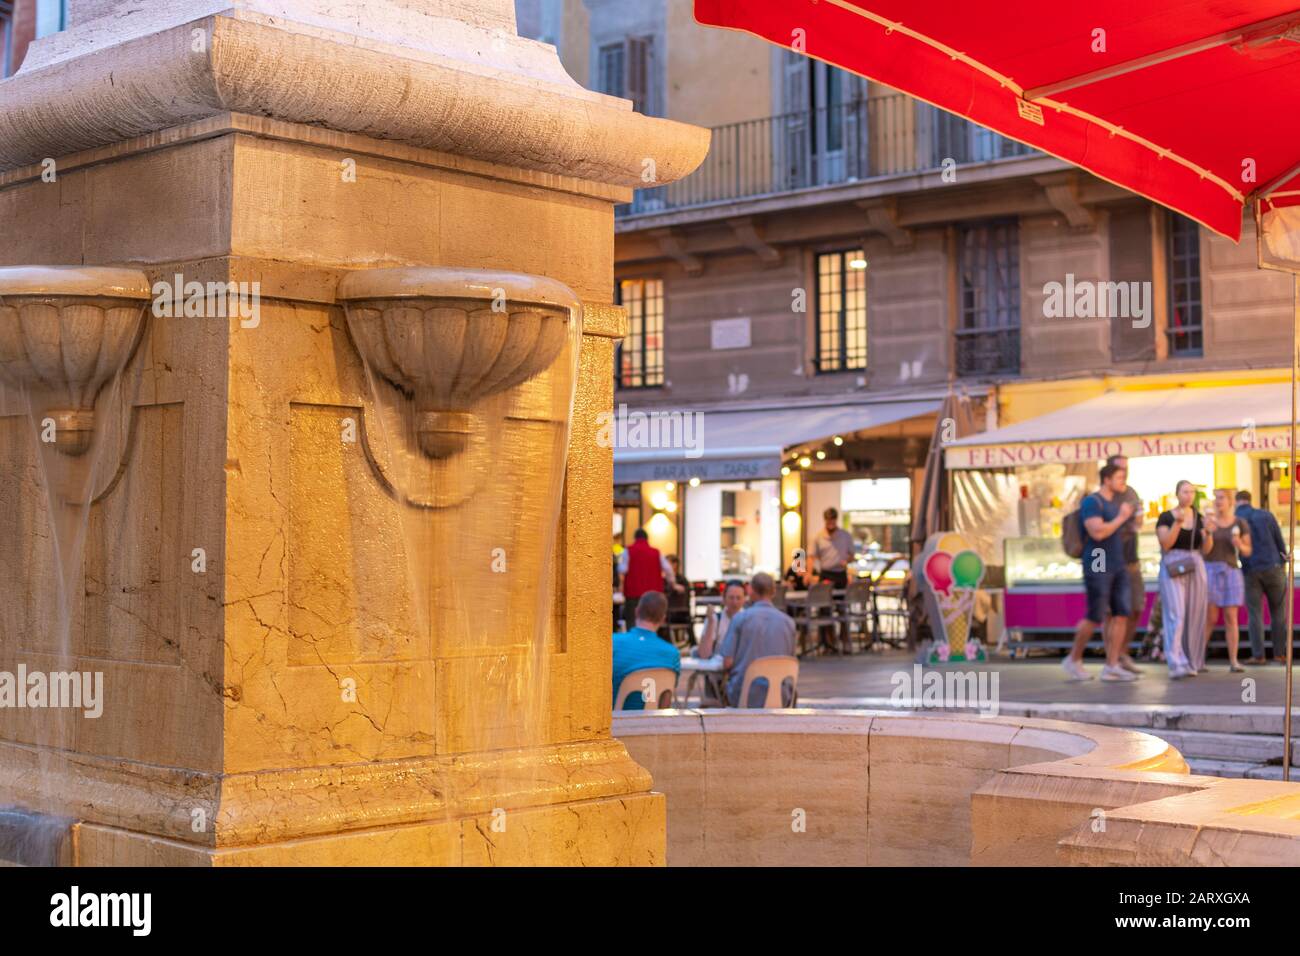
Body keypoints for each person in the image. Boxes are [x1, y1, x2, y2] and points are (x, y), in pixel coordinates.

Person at [1061, 462, 1136, 682]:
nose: (1124, 481)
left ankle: (1111, 665)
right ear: (1107, 479)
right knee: (1096, 613)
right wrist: (1121, 518)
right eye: (1120, 478)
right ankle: (1073, 659)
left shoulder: (1117, 503)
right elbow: (1097, 533)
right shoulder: (1092, 502)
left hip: (1117, 560)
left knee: (1122, 613)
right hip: (1098, 559)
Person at [1155, 479, 1209, 680]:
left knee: (1193, 615)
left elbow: (1206, 549)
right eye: (1185, 491)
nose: (1189, 496)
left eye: (1192, 492)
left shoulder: (1199, 517)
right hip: (1174, 567)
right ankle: (1174, 660)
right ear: (1177, 494)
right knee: (1175, 614)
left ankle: (1189, 659)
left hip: (1195, 566)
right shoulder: (1166, 517)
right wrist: (1177, 523)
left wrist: (1209, 533)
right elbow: (1166, 544)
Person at [720, 572, 797, 707]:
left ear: (751, 591)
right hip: (781, 696)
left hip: (745, 695)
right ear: (773, 592)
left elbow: (727, 662)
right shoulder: (789, 623)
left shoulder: (740, 619)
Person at [1236, 490, 1291, 665]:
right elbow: (1281, 544)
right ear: (1250, 500)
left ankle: (1259, 655)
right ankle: (1279, 654)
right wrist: (1282, 566)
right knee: (1278, 613)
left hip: (1251, 570)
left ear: (1237, 502)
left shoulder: (1235, 518)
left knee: (1255, 614)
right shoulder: (1266, 515)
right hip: (1274, 568)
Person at [1204, 488, 1251, 672]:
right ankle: (1199, 659)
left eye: (1222, 498)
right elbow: (1205, 551)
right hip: (1211, 570)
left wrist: (1240, 544)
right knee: (1210, 617)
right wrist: (1208, 533)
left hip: (1231, 570)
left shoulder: (1240, 523)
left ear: (1231, 501)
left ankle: (1233, 660)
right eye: (1216, 498)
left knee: (1231, 617)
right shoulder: (1209, 522)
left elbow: (1248, 551)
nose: (1218, 501)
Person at [1107, 455, 1145, 676]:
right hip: (1111, 563)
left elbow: (1138, 521)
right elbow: (1100, 532)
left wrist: (1131, 522)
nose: (1124, 474)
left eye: (1126, 470)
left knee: (1135, 608)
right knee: (1112, 614)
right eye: (1120, 470)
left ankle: (1121, 654)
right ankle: (1111, 660)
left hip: (1132, 560)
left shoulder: (1131, 492)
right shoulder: (1101, 498)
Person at [611, 592, 681, 711]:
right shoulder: (672, 653)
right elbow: (665, 701)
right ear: (663, 619)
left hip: (616, 722)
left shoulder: (613, 642)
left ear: (636, 611)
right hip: (652, 723)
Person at [617, 529, 676, 630]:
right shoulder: (656, 552)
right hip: (653, 595)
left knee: (632, 621)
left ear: (635, 538)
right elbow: (668, 569)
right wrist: (672, 582)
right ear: (647, 539)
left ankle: (634, 644)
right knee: (652, 622)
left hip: (633, 593)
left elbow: (623, 569)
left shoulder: (628, 550)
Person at [812, 507, 855, 588]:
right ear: (825, 520)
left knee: (841, 599)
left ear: (836, 519)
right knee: (825, 600)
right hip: (825, 574)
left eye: (832, 519)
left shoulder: (845, 535)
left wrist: (847, 561)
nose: (830, 522)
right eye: (828, 519)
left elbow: (852, 556)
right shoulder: (818, 537)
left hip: (840, 575)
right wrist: (808, 574)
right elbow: (812, 556)